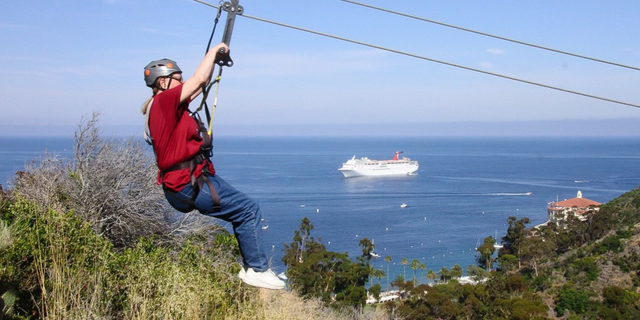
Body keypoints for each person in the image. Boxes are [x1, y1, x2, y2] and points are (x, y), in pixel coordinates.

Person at [141, 43, 285, 290]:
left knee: (244, 209)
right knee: (248, 210)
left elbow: (199, 85)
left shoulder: (171, 107)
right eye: (178, 78)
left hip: (192, 180)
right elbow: (198, 79)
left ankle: (255, 267)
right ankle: (257, 270)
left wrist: (216, 64)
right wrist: (214, 51)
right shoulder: (164, 102)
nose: (182, 82)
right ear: (163, 83)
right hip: (188, 183)